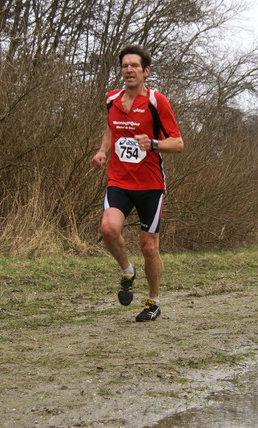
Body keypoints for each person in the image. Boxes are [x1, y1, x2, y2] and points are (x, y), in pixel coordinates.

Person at [91, 45, 184, 322]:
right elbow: (111, 126)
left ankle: (153, 301)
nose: (128, 70)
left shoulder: (157, 102)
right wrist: (102, 151)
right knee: (108, 228)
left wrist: (153, 144)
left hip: (150, 185)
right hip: (119, 180)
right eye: (124, 66)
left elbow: (178, 143)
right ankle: (127, 271)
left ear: (146, 72)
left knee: (149, 247)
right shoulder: (111, 100)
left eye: (134, 66)